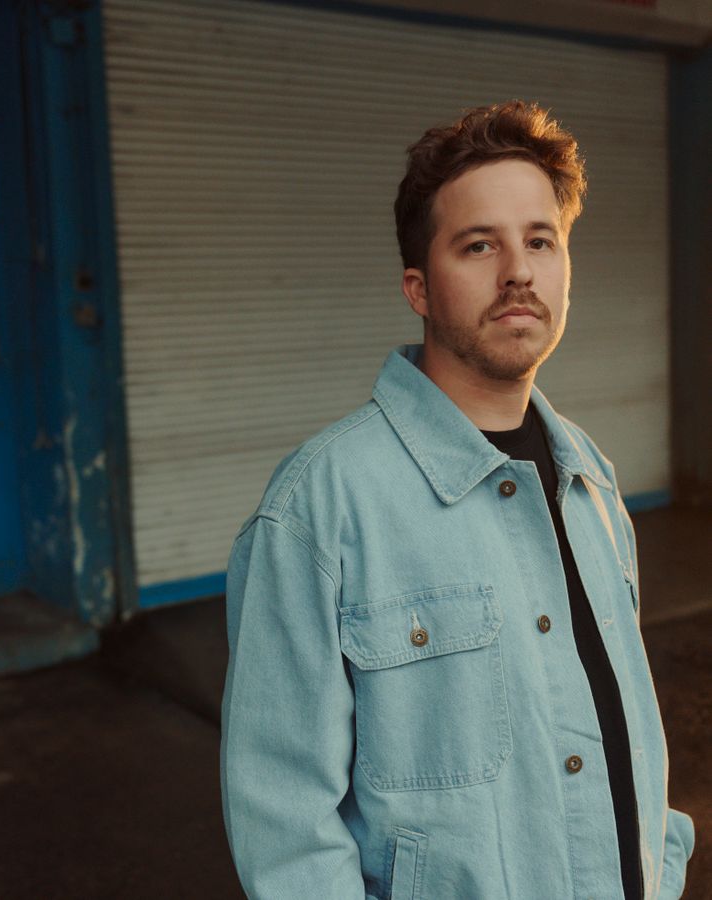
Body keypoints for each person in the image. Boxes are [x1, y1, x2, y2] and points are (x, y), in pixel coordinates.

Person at [219, 101, 695, 899]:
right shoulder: (320, 508)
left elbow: (627, 728)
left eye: (540, 241)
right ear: (418, 287)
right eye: (479, 245)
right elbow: (285, 827)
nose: (518, 272)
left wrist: (663, 865)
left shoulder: (591, 478)